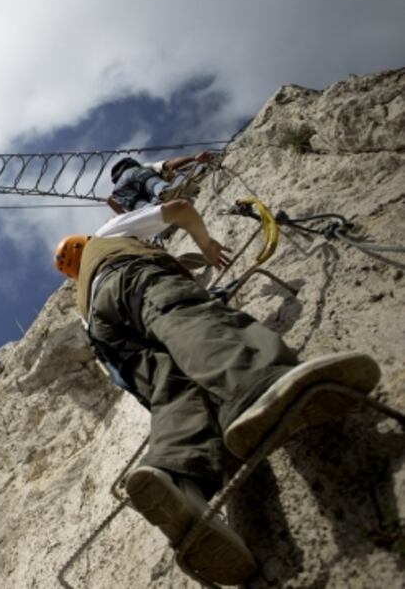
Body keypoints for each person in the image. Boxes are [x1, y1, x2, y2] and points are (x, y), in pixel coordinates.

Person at [53, 199, 381, 585]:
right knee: (186, 317)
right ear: (84, 242)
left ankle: (175, 477)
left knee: (172, 386)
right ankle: (256, 385)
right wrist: (206, 244)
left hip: (107, 339)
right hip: (131, 278)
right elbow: (179, 207)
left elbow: (122, 376)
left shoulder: (82, 302)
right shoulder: (109, 234)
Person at [109, 150, 215, 214]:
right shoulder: (144, 167)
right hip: (135, 173)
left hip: (118, 191)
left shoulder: (119, 186)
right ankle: (164, 190)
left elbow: (112, 202)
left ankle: (152, 213)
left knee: (138, 205)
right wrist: (194, 158)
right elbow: (169, 165)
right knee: (151, 182)